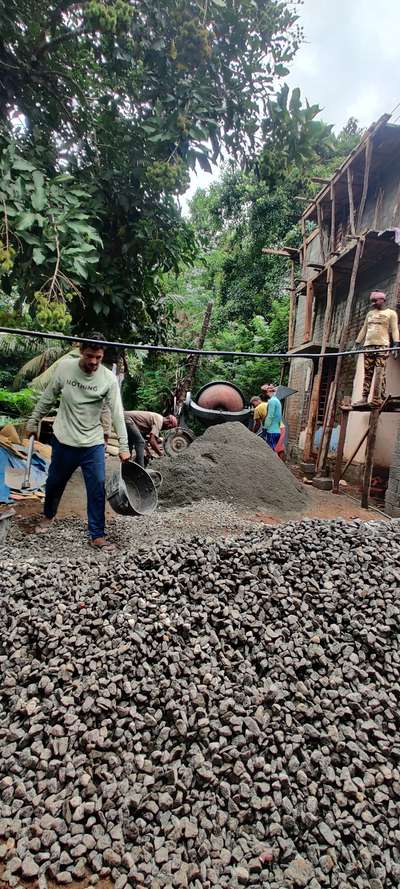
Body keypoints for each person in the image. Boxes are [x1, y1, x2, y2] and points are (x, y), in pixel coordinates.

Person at [26, 332, 130, 549]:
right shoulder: (65, 368)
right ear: (81, 350)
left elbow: (117, 413)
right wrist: (33, 421)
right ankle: (48, 515)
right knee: (54, 482)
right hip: (63, 440)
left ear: (103, 355)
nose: (93, 361)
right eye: (90, 355)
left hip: (91, 444)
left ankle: (97, 534)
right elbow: (47, 398)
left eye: (98, 358)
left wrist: (123, 446)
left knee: (97, 487)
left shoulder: (108, 379)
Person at [353, 290, 399, 407]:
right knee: (368, 373)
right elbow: (364, 329)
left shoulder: (391, 313)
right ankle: (364, 397)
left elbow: (394, 329)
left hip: (382, 346)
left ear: (382, 300)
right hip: (368, 346)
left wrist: (396, 344)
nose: (373, 303)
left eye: (375, 301)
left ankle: (380, 396)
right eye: (371, 301)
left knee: (380, 372)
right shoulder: (370, 314)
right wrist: (357, 343)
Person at [263, 384, 282, 450]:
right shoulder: (277, 401)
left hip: (271, 431)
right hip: (277, 431)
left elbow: (270, 416)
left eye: (266, 392)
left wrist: (265, 428)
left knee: (270, 452)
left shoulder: (272, 401)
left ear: (269, 392)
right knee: (273, 451)